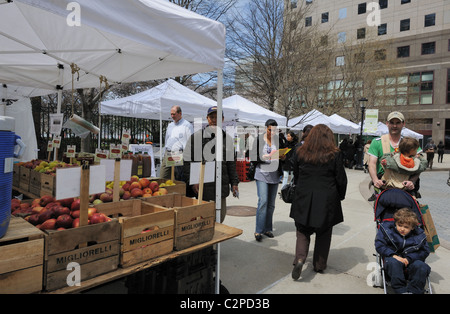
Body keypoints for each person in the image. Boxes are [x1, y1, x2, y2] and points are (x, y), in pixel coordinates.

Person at [289, 124, 347, 279]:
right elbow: (340, 178)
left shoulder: (300, 151)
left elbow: (295, 173)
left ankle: (300, 258)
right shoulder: (335, 154)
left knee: (302, 230)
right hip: (326, 197)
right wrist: (340, 195)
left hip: (304, 195)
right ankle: (319, 264)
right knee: (324, 231)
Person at [182, 106, 239, 223]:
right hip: (203, 187)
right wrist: (193, 181)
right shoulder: (196, 137)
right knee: (204, 219)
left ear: (222, 119)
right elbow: (188, 161)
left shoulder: (227, 139)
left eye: (217, 117)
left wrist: (234, 182)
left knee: (220, 217)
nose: (214, 120)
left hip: (221, 186)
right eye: (211, 117)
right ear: (207, 119)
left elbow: (231, 163)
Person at [375, 208, 431, 294]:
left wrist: (409, 258)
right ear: (395, 223)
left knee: (421, 266)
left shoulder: (419, 235)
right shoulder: (387, 229)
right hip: (393, 259)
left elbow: (425, 251)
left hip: (411, 261)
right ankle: (401, 291)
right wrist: (393, 255)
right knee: (393, 263)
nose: (402, 229)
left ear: (412, 227)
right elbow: (380, 245)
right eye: (399, 225)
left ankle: (414, 291)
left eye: (406, 227)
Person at [367, 111, 421, 197]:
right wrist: (375, 180)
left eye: (398, 123)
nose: (394, 126)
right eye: (392, 123)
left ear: (403, 124)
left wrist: (412, 181)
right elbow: (372, 164)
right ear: (387, 123)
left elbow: (419, 166)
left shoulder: (410, 143)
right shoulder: (377, 142)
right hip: (384, 186)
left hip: (405, 187)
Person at [249, 119, 281, 241]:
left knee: (271, 204)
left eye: (274, 130)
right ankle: (258, 230)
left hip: (274, 175)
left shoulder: (278, 140)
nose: (272, 133)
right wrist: (263, 157)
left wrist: (282, 156)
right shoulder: (258, 140)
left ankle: (267, 228)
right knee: (263, 201)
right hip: (261, 174)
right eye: (269, 130)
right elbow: (252, 156)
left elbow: (281, 153)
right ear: (265, 128)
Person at [160, 105, 193, 181]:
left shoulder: (187, 125)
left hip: (179, 153)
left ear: (180, 113)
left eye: (174, 114)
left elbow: (190, 142)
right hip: (168, 153)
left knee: (178, 178)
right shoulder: (170, 125)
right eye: (171, 114)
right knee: (163, 176)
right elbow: (167, 139)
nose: (172, 116)